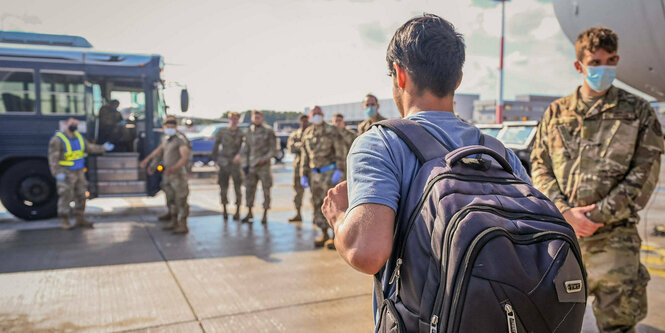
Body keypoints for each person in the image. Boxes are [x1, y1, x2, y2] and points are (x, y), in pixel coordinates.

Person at [320, 14, 530, 325]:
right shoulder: (498, 152)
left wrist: (339, 218)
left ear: (399, 75)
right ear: (457, 79)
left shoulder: (379, 144)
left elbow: (367, 253)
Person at [530, 26, 663, 333]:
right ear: (579, 66)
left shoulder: (639, 112)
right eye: (595, 62)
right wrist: (565, 212)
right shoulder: (556, 113)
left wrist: (597, 215)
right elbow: (539, 165)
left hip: (614, 242)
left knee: (619, 325)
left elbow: (645, 172)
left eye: (611, 60)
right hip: (562, 239)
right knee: (551, 321)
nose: (604, 68)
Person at [48, 117, 113, 229]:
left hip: (78, 172)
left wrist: (103, 148)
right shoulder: (58, 139)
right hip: (65, 172)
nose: (74, 125)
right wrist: (56, 172)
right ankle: (65, 221)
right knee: (66, 196)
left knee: (81, 195)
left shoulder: (79, 137)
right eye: (72, 123)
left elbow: (89, 148)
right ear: (66, 124)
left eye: (76, 124)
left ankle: (80, 219)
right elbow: (53, 159)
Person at [300, 106, 346, 248]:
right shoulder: (307, 133)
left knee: (333, 205)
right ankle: (324, 233)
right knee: (317, 205)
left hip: (329, 174)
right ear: (310, 116)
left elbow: (341, 151)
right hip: (314, 175)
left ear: (323, 115)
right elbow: (305, 156)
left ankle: (335, 236)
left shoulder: (332, 131)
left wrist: (339, 170)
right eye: (315, 114)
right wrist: (303, 174)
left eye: (319, 113)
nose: (317, 116)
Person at [140, 116, 191, 234]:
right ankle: (174, 222)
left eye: (172, 126)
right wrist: (150, 163)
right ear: (164, 127)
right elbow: (158, 153)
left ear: (176, 127)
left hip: (178, 175)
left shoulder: (180, 140)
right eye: (168, 126)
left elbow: (184, 157)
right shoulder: (165, 139)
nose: (170, 128)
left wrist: (174, 168)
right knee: (171, 199)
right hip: (168, 175)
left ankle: (183, 225)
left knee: (181, 200)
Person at [240, 110, 276, 224]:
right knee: (249, 190)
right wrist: (244, 165)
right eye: (255, 117)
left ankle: (265, 213)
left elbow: (273, 149)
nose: (257, 119)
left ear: (262, 118)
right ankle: (249, 211)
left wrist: (264, 159)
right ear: (252, 119)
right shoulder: (249, 132)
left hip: (263, 167)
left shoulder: (269, 131)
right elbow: (245, 150)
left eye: (258, 117)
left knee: (266, 190)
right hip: (251, 166)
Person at [211, 112, 245, 221]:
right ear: (229, 119)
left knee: (237, 187)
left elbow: (245, 147)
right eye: (232, 118)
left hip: (235, 162)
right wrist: (215, 159)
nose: (234, 120)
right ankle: (224, 209)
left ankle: (238, 210)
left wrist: (240, 156)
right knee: (223, 187)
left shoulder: (241, 133)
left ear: (238, 120)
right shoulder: (222, 131)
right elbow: (216, 145)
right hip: (224, 161)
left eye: (236, 118)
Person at [286, 114, 310, 222]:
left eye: (306, 120)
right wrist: (303, 145)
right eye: (302, 121)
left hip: (312, 166)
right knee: (297, 191)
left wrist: (301, 145)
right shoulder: (295, 134)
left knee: (316, 193)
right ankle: (298, 213)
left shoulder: (312, 133)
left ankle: (317, 215)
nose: (304, 123)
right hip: (298, 166)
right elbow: (290, 147)